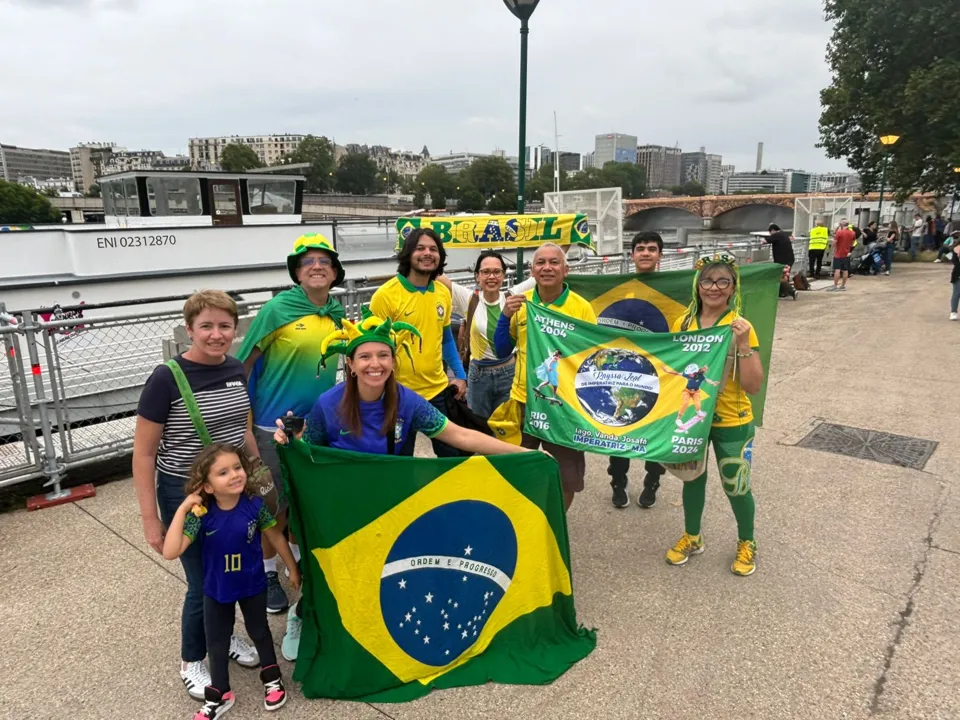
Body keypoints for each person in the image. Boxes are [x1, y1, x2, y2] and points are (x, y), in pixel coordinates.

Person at [271, 312, 537, 661]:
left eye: (383, 355)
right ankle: (303, 611)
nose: (374, 364)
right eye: (365, 356)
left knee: (380, 571)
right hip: (342, 506)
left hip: (392, 502)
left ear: (394, 361)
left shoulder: (407, 401)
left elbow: (458, 434)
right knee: (334, 572)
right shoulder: (328, 405)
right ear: (350, 364)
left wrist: (520, 455)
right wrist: (290, 442)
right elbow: (311, 458)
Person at [133, 290, 262, 699]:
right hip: (186, 494)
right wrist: (151, 518)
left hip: (231, 488)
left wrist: (257, 476)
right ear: (189, 329)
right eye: (206, 326)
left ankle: (221, 637)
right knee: (201, 579)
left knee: (231, 567)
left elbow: (242, 429)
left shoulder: (236, 369)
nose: (216, 334)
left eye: (225, 325)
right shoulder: (166, 378)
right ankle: (193, 658)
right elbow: (144, 452)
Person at [236, 233, 346, 615]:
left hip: (313, 426)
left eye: (324, 261)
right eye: (307, 262)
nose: (317, 266)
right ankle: (267, 573)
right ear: (297, 273)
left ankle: (295, 561)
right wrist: (246, 426)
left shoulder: (335, 312)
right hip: (270, 425)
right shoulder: (277, 310)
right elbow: (242, 367)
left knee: (303, 499)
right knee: (273, 504)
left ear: (334, 273)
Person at [163, 444, 300, 719]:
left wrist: (293, 568)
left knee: (259, 631)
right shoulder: (202, 516)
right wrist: (183, 509)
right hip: (216, 589)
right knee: (216, 641)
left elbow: (274, 536)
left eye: (237, 467)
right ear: (208, 486)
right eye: (223, 472)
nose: (235, 475)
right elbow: (170, 551)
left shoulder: (254, 506)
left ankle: (272, 678)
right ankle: (220, 694)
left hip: (251, 584)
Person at [665, 256, 764, 576]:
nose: (714, 288)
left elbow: (752, 385)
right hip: (694, 417)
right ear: (697, 285)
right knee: (691, 477)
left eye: (723, 281)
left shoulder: (740, 326)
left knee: (736, 484)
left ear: (734, 287)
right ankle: (692, 536)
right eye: (707, 281)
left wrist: (744, 343)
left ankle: (747, 541)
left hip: (731, 419)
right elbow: (672, 370)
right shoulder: (682, 323)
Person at [494, 243, 598, 511]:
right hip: (523, 403)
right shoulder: (521, 303)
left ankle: (555, 524)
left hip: (562, 408)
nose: (547, 268)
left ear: (566, 270)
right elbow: (502, 349)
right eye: (540, 263)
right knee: (514, 470)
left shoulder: (581, 308)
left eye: (554, 263)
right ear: (532, 270)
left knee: (566, 477)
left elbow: (592, 360)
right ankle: (519, 521)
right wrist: (505, 317)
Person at [370, 228, 468, 457]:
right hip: (397, 395)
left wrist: (460, 375)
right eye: (420, 248)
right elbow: (372, 349)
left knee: (452, 456)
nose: (427, 253)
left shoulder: (442, 293)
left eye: (433, 249)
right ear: (408, 253)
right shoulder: (385, 296)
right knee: (398, 459)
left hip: (438, 391)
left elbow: (445, 340)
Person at [605, 232, 667, 509]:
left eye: (651, 249)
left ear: (659, 255)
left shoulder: (674, 288)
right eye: (640, 248)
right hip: (623, 370)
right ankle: (618, 481)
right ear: (631, 255)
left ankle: (653, 479)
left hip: (660, 371)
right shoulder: (619, 287)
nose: (645, 253)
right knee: (619, 426)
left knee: (657, 430)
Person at [436, 250, 535, 418]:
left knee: (507, 427)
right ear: (477, 276)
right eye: (486, 272)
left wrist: (570, 230)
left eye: (497, 272)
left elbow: (542, 273)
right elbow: (437, 273)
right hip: (478, 376)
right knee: (478, 427)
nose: (491, 277)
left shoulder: (512, 296)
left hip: (509, 374)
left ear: (504, 275)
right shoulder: (468, 299)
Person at [764, 224, 797, 299]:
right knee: (785, 276)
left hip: (783, 260)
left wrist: (761, 239)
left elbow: (766, 241)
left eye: (770, 233)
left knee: (781, 277)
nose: (770, 234)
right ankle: (783, 292)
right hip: (789, 259)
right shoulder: (783, 234)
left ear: (773, 230)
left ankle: (791, 292)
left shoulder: (777, 235)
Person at [829, 222, 857, 291]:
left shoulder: (839, 232)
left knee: (837, 270)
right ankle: (843, 285)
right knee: (845, 270)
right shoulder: (852, 233)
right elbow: (853, 243)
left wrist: (832, 248)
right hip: (846, 254)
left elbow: (834, 242)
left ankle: (835, 286)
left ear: (841, 226)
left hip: (838, 254)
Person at [949, 234, 960, 321]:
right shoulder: (956, 249)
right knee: (956, 293)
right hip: (958, 273)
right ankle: (953, 312)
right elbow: (954, 262)